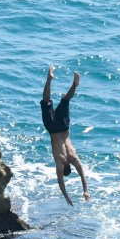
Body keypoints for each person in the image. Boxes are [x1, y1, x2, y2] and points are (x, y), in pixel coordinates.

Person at [41, 65, 89, 206]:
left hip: (63, 127)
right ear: (63, 169)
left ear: (71, 167)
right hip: (53, 129)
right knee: (46, 102)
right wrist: (66, 196)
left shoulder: (74, 158)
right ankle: (49, 79)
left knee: (65, 101)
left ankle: (75, 84)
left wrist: (86, 190)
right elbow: (60, 181)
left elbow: (82, 175)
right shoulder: (60, 162)